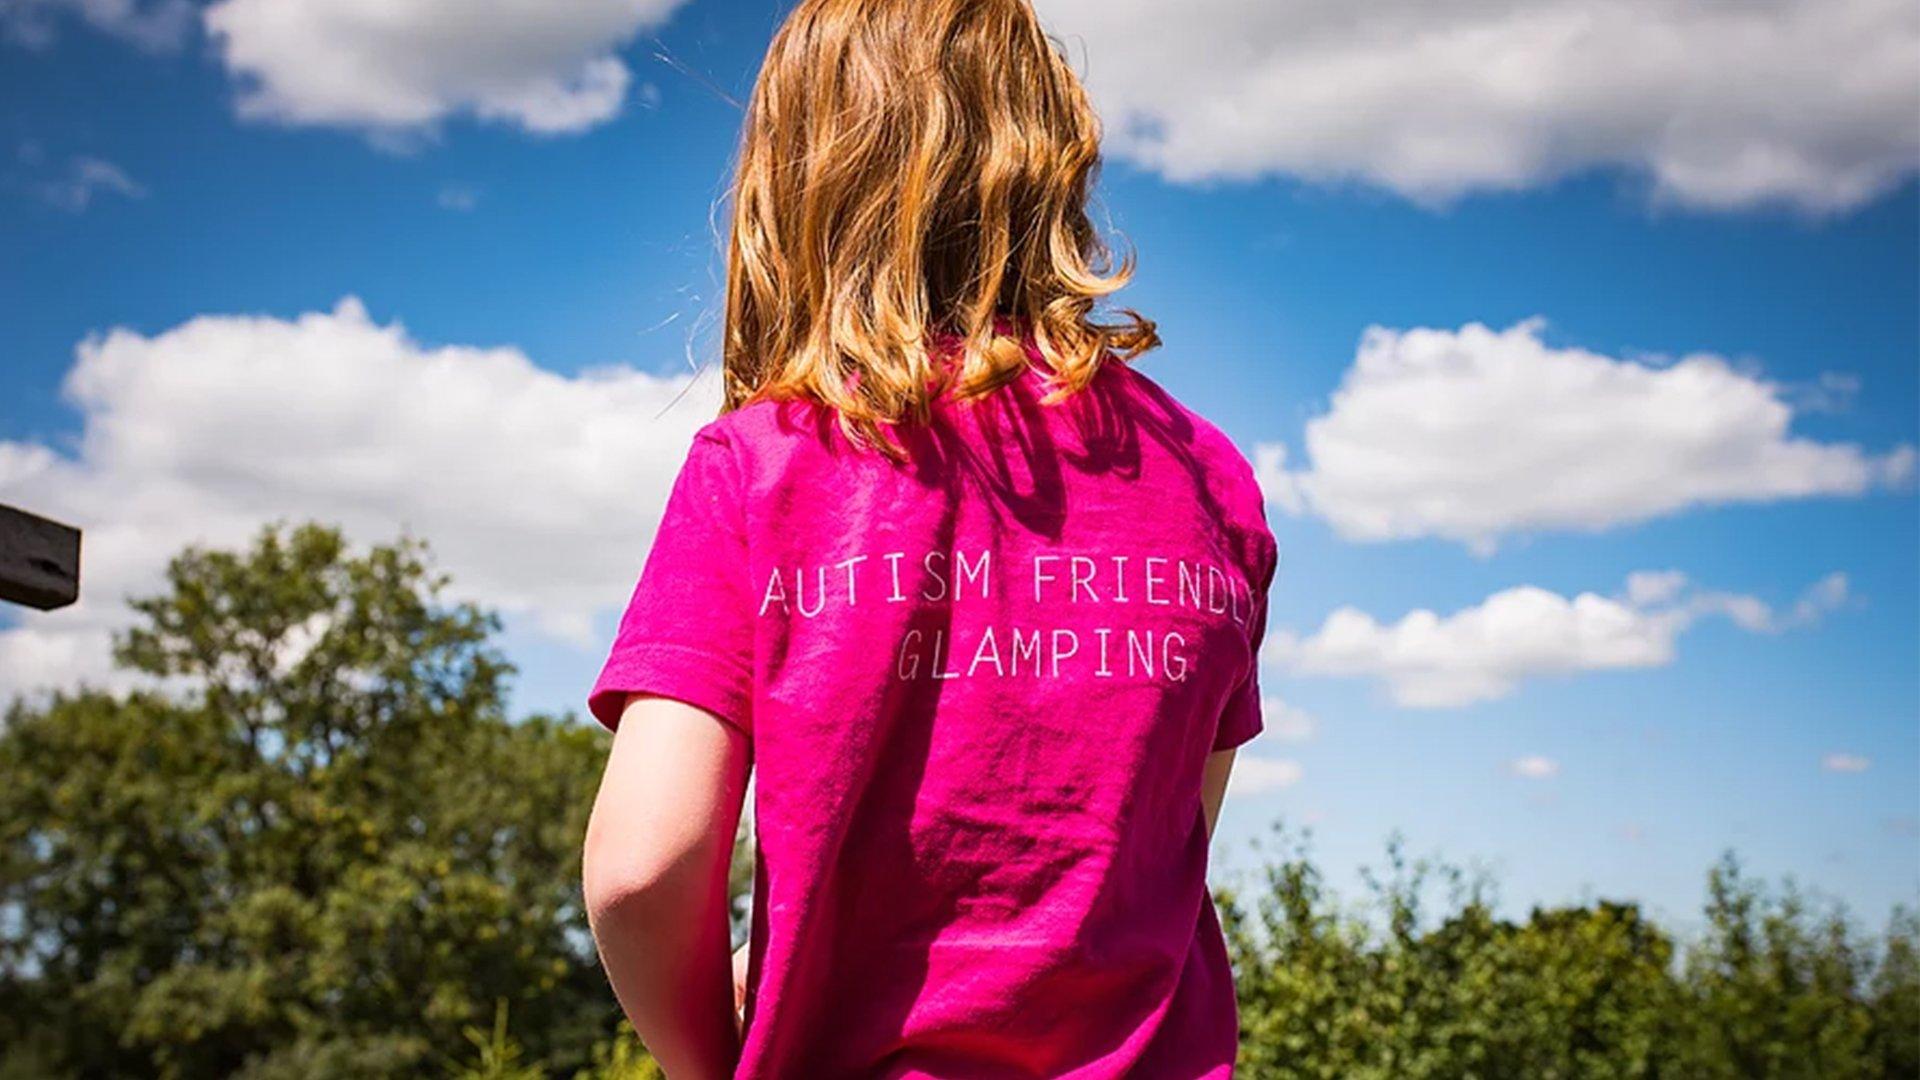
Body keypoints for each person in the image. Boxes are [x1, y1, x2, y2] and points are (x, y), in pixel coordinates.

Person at [580, 0, 1278, 1075]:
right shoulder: (1210, 479)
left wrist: (707, 1061)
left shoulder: (763, 463)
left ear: (807, 174)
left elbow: (642, 868)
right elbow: (1160, 859)